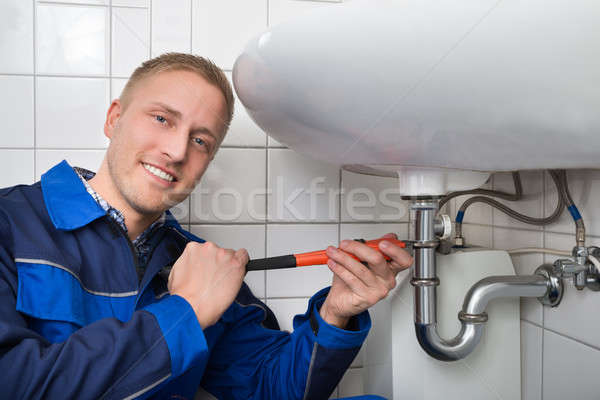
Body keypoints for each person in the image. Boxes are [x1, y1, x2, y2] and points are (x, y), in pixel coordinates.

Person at [0, 53, 412, 399]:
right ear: (114, 119)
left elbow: (271, 387)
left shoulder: (196, 261)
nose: (177, 151)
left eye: (201, 141)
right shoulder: (10, 221)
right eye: (162, 118)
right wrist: (187, 311)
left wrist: (335, 312)